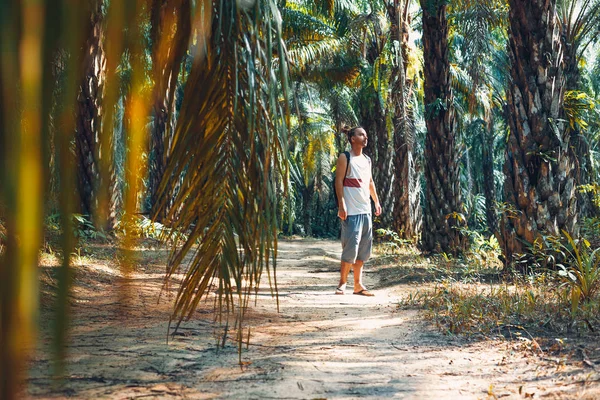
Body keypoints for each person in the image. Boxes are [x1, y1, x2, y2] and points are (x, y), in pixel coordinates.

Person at [334, 126, 382, 296]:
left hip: (365, 211)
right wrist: (341, 204)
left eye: (366, 134)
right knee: (350, 249)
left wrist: (376, 202)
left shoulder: (367, 160)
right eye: (361, 134)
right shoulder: (345, 157)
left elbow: (369, 182)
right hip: (351, 212)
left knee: (363, 250)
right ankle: (342, 284)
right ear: (353, 138)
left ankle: (358, 285)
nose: (365, 137)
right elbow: (339, 182)